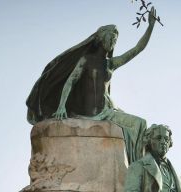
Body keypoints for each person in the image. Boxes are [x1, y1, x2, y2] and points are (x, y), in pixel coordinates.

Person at [26, 8, 159, 163]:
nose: (113, 42)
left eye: (115, 40)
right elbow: (71, 81)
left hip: (107, 111)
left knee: (140, 124)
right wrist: (61, 106)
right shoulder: (86, 60)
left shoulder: (111, 63)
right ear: (102, 38)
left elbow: (137, 49)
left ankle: (137, 169)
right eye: (111, 38)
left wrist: (150, 26)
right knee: (138, 125)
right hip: (88, 112)